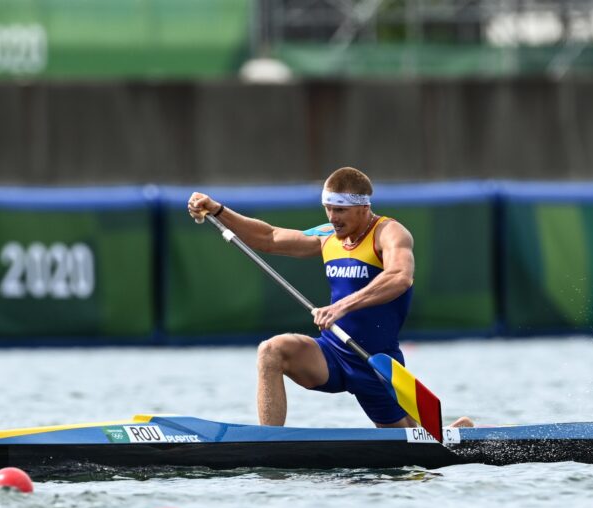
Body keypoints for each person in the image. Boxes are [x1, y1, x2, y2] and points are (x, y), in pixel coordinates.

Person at [187, 166, 473, 430]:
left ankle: (454, 432)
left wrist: (341, 306)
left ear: (363, 207)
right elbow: (269, 237)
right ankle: (268, 441)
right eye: (328, 209)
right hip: (332, 354)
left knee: (409, 442)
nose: (332, 218)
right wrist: (219, 210)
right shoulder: (327, 236)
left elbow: (400, 277)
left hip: (375, 360)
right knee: (272, 350)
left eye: (339, 210)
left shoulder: (389, 233)